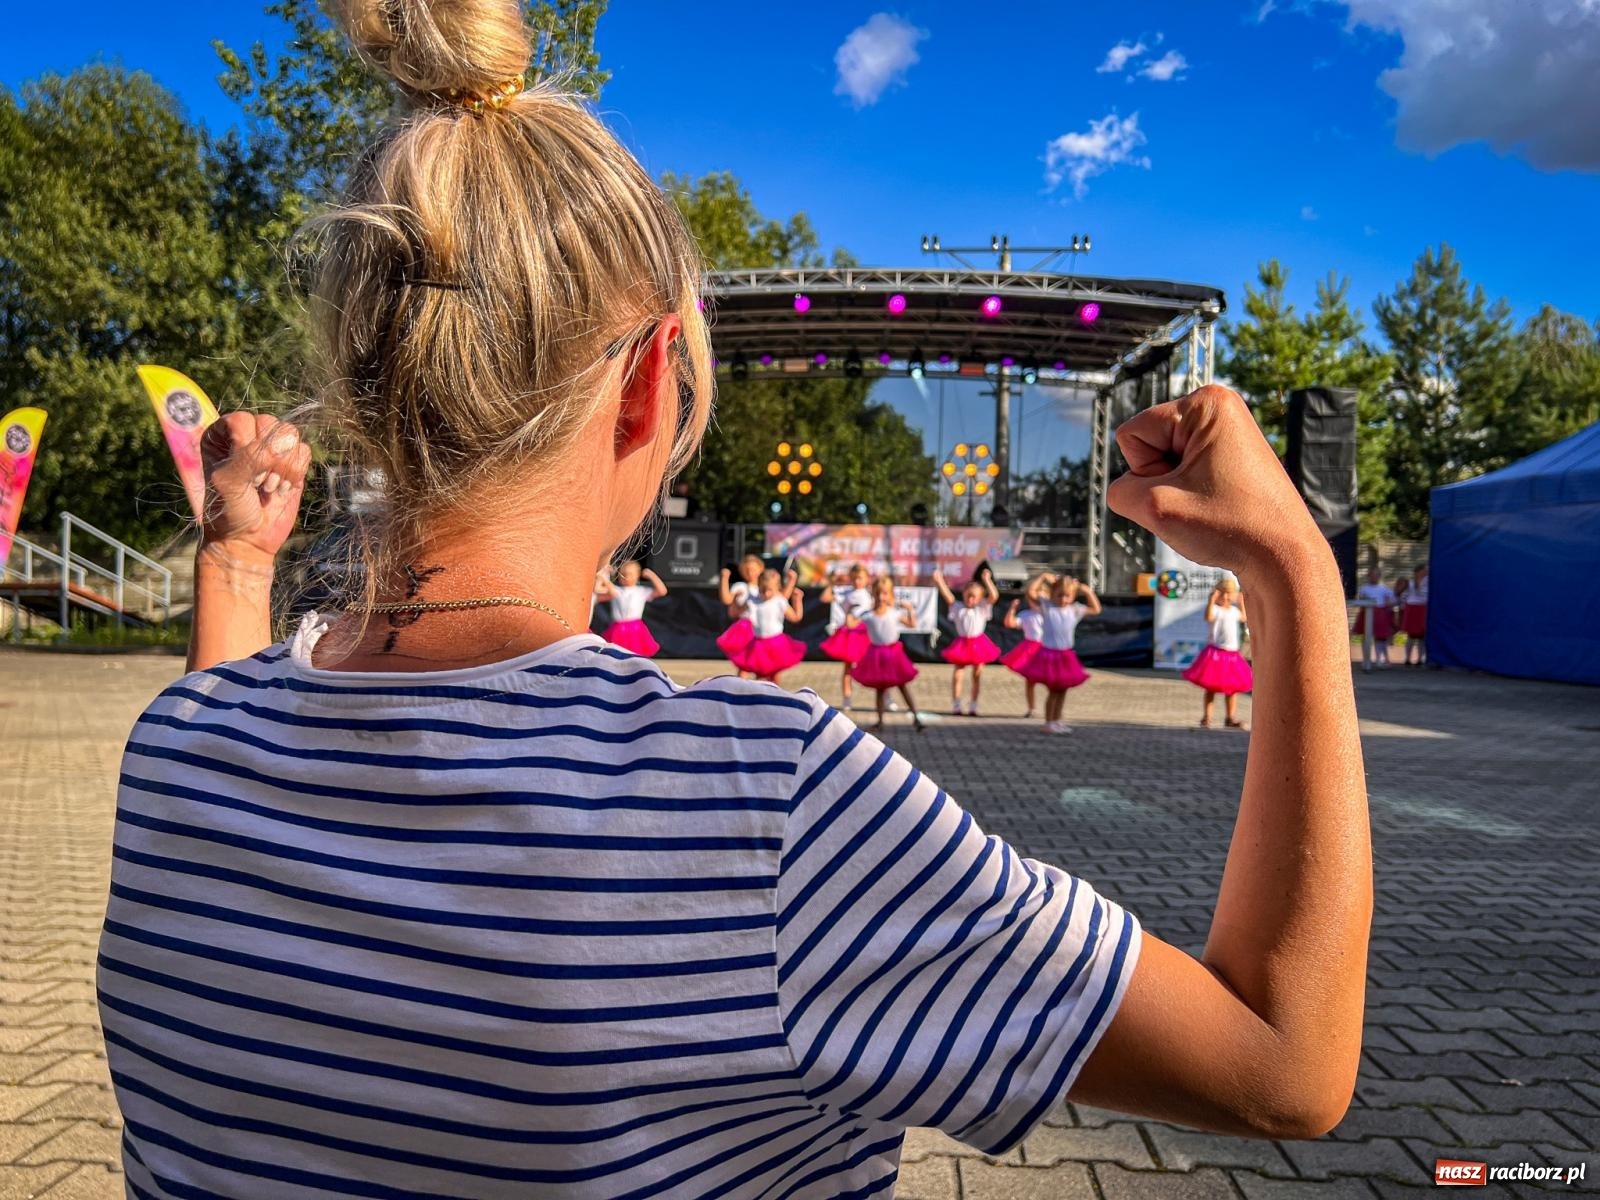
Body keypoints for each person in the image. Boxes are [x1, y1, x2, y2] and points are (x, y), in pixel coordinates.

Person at [113, 6, 1371, 1194]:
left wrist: (236, 563)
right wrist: (1295, 569)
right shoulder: (768, 806)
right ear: (647, 383)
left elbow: (235, 714)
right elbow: (1281, 1061)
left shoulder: (181, 748)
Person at [1020, 575, 1102, 734]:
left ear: (1073, 596)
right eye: (1059, 595)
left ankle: (1057, 720)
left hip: (1065, 656)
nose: (1063, 599)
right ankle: (1049, 722)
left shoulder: (1074, 609)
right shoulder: (1047, 606)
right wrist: (1042, 577)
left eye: (1067, 596)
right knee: (1053, 690)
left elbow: (1096, 609)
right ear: (1052, 593)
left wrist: (1087, 591)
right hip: (1050, 655)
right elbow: (1031, 592)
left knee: (1062, 690)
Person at [847, 575, 926, 733]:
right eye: (878, 593)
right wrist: (849, 611)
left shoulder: (893, 613)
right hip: (876, 656)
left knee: (902, 686)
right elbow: (851, 625)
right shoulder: (868, 615)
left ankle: (916, 717)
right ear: (873, 594)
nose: (881, 597)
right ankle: (880, 721)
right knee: (880, 689)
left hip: (894, 655)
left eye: (885, 594)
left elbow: (912, 624)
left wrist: (910, 609)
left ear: (890, 595)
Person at [1183, 575, 1253, 729]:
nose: (1226, 597)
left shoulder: (1233, 611)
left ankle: (1230, 717)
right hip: (1216, 653)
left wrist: (1241, 603)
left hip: (1232, 654)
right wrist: (1211, 601)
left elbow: (1243, 618)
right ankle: (1207, 717)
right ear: (1217, 594)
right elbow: (1208, 617)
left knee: (1232, 688)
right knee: (1211, 687)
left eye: (1229, 594)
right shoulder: (1215, 609)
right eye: (1222, 593)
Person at [933, 565, 1001, 716]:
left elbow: (994, 596)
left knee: (977, 674)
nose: (970, 599)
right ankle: (956, 704)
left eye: (974, 596)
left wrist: (987, 580)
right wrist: (940, 581)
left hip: (979, 644)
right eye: (968, 595)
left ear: (980, 598)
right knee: (958, 673)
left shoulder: (982, 608)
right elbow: (948, 597)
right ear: (963, 594)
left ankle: (973, 705)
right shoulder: (958, 608)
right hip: (962, 644)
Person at [818, 562, 874, 709]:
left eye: (860, 578)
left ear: (867, 579)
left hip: (865, 632)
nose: (857, 581)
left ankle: (885, 696)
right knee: (848, 667)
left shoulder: (870, 594)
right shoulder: (846, 593)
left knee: (875, 665)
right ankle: (847, 698)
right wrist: (832, 583)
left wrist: (858, 620)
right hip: (850, 635)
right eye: (854, 578)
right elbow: (824, 598)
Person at [1000, 570, 1053, 718]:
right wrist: (1012, 609)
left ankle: (1052, 709)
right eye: (1033, 599)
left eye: (1041, 598)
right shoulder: (1026, 615)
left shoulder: (1049, 613)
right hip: (1030, 649)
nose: (1036, 601)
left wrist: (1043, 578)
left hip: (1046, 649)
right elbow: (1010, 623)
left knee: (1051, 680)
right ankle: (1032, 708)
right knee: (1030, 681)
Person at [740, 567, 807, 684]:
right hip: (758, 643)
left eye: (770, 590)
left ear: (777, 588)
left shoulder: (779, 601)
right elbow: (737, 612)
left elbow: (795, 617)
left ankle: (775, 693)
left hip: (775, 643)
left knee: (775, 673)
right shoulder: (753, 601)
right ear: (758, 587)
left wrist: (797, 600)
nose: (766, 594)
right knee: (759, 673)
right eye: (762, 590)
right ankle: (759, 694)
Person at [592, 559, 666, 656]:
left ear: (637, 575)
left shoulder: (641, 591)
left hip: (635, 629)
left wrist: (651, 575)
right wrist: (603, 575)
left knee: (635, 654)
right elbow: (597, 589)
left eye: (630, 574)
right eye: (623, 574)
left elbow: (662, 591)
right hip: (618, 629)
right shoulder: (617, 590)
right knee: (617, 654)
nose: (626, 577)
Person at [715, 554, 765, 674]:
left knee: (763, 662)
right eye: (746, 570)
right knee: (745, 662)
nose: (750, 573)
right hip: (747, 628)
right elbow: (727, 599)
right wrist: (724, 578)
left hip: (763, 627)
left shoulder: (765, 588)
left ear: (761, 569)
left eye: (753, 569)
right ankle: (742, 683)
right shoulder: (740, 586)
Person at [1352, 564, 1397, 671]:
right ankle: (1366, 659)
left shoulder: (1384, 589)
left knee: (1380, 637)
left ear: (1379, 576)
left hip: (1380, 613)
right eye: (1372, 575)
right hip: (1366, 613)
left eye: (1376, 575)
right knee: (1365, 637)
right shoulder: (1363, 588)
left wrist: (1388, 603)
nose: (1374, 577)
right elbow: (1360, 599)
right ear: (1368, 576)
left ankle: (1379, 660)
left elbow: (1393, 601)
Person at [1402, 562, 1429, 666]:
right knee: (1411, 636)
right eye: (1424, 569)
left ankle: (1420, 659)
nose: (1426, 571)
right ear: (1419, 571)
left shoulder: (1428, 581)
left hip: (1423, 608)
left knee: (1422, 636)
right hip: (1413, 608)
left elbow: (1424, 594)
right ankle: (1407, 658)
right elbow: (1404, 595)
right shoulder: (1410, 582)